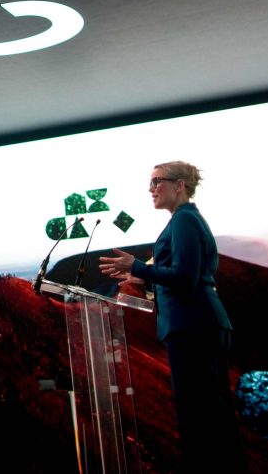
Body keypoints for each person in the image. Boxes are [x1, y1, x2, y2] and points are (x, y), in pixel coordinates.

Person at [99, 161, 243, 472]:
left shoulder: (184, 221)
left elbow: (185, 277)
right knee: (210, 415)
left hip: (192, 325)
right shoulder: (185, 220)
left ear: (179, 185)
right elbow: (184, 276)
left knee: (199, 417)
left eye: (157, 182)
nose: (150, 189)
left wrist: (137, 267)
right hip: (197, 322)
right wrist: (143, 279)